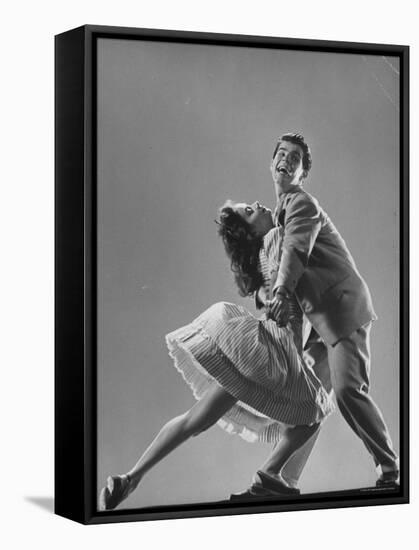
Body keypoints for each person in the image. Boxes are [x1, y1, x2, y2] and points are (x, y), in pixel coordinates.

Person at [98, 200, 334, 511]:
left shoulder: (266, 253)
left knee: (195, 420)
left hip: (258, 352)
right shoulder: (277, 238)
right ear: (251, 232)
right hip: (274, 353)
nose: (257, 205)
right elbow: (292, 280)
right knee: (314, 412)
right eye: (250, 211)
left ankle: (130, 478)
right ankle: (270, 476)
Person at [235, 133, 399, 498]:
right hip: (322, 326)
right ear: (271, 162)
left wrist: (280, 290)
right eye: (281, 154)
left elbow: (297, 250)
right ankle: (276, 479)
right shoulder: (277, 218)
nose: (287, 161)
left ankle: (390, 469)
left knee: (345, 392)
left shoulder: (301, 204)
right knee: (306, 400)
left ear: (302, 172)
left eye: (295, 158)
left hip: (343, 311)